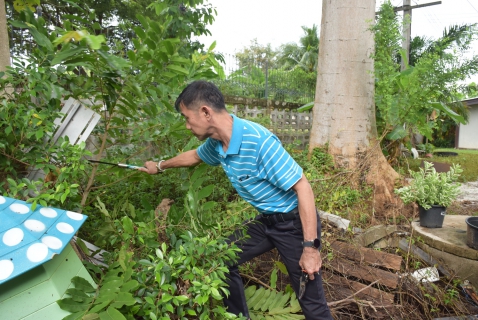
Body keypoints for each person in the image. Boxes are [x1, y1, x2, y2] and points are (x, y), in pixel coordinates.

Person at [139, 80, 332, 319]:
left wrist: (310, 248)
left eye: (187, 118)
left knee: (311, 302)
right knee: (221, 257)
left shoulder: (259, 141)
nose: (187, 125)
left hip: (294, 225)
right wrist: (159, 166)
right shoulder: (217, 144)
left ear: (205, 112)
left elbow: (303, 187)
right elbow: (194, 157)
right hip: (266, 222)